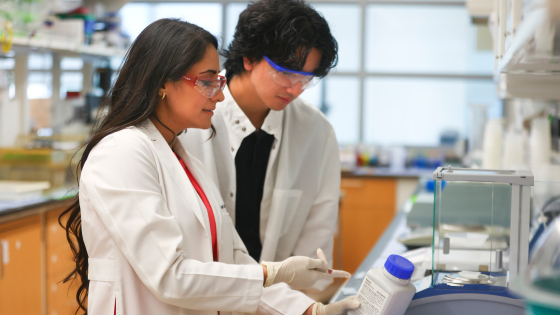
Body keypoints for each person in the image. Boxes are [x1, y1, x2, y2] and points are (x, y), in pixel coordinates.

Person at [59, 19, 358, 315]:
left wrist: (309, 310)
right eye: (206, 81)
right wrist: (271, 273)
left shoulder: (182, 156)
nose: (219, 95)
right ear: (162, 82)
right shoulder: (122, 151)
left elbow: (231, 258)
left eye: (219, 81)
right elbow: (169, 277)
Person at [180, 0, 340, 289]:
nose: (295, 88)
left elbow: (317, 235)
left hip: (279, 302)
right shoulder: (190, 121)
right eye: (286, 72)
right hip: (198, 296)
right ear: (249, 58)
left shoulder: (317, 133)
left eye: (306, 78)